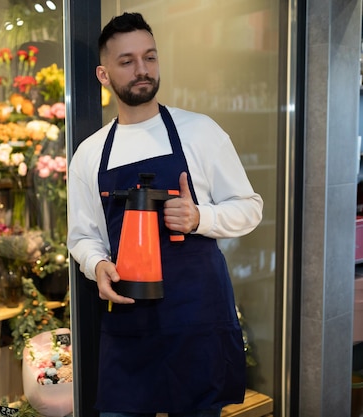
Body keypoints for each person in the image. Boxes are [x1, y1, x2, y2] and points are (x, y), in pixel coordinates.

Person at [66, 12, 263, 417]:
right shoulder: (89, 154)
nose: (143, 69)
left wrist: (199, 219)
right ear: (104, 75)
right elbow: (82, 237)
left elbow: (250, 208)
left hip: (197, 322)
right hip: (128, 327)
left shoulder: (201, 133)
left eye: (150, 57)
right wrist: (97, 263)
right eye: (127, 61)